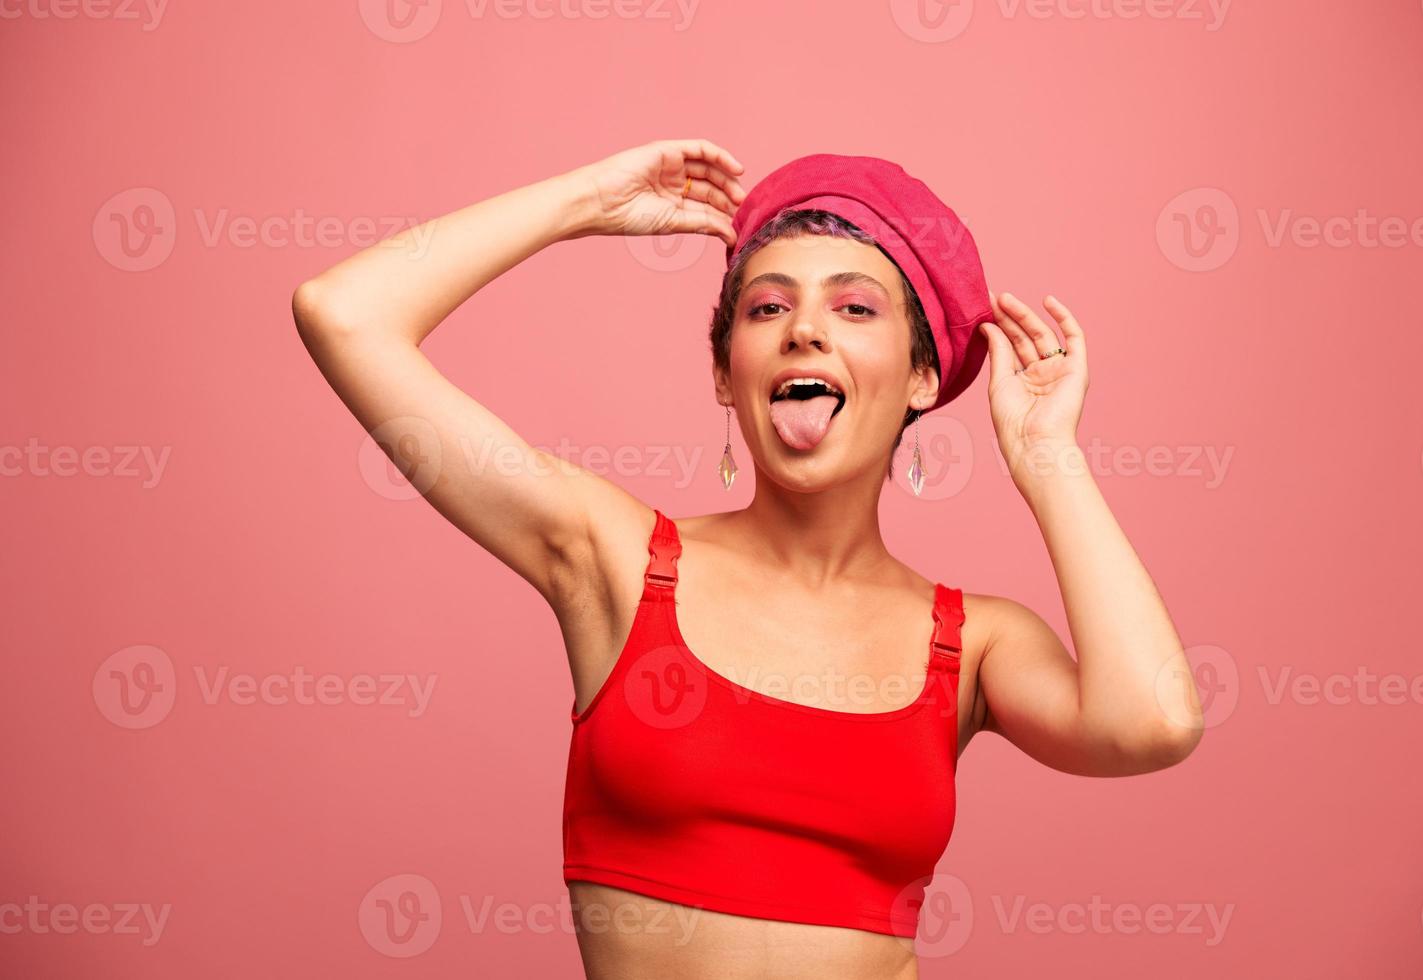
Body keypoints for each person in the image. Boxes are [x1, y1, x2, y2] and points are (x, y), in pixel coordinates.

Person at [292, 138, 1203, 980]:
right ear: (725, 373)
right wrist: (584, 201)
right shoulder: (614, 560)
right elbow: (345, 315)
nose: (804, 330)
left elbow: (1154, 720)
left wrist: (1049, 458)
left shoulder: (970, 644)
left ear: (924, 378)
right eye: (768, 307)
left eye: (854, 306)